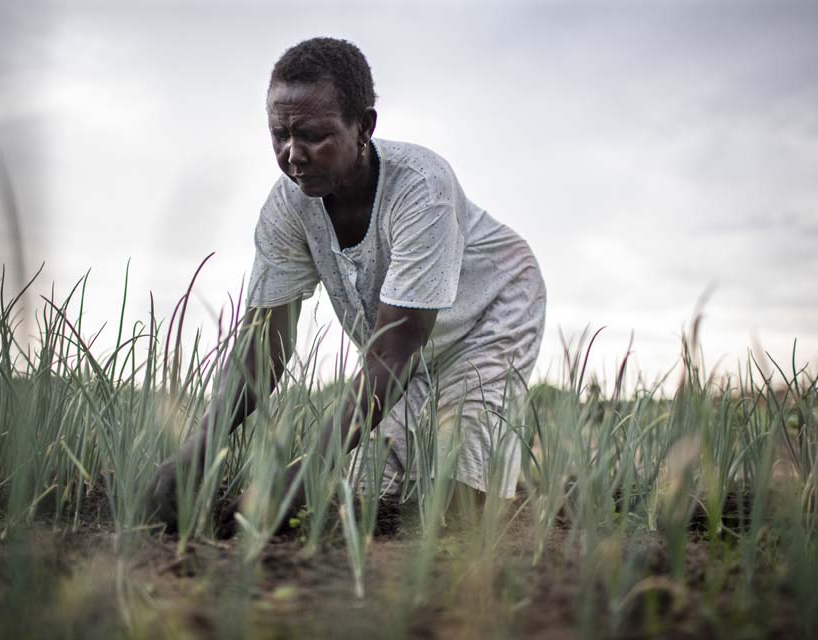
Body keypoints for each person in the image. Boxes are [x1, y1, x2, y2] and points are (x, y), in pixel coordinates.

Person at [148, 36, 546, 531]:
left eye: (313, 135)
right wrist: (199, 451)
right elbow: (264, 344)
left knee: (456, 503)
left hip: (490, 309)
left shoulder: (422, 188)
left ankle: (505, 484)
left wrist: (305, 472)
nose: (293, 154)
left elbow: (391, 353)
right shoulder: (288, 207)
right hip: (408, 353)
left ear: (365, 127)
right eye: (279, 135)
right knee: (360, 490)